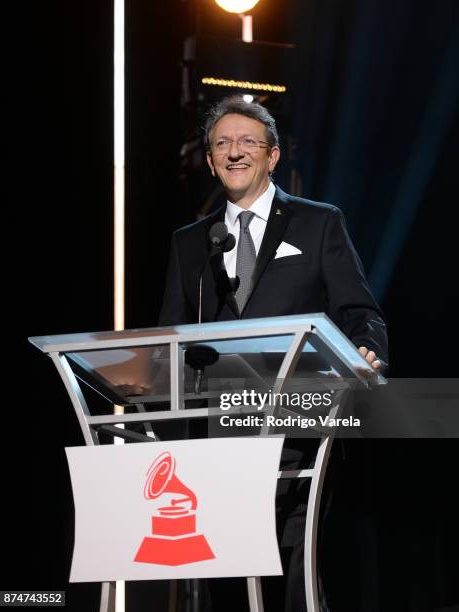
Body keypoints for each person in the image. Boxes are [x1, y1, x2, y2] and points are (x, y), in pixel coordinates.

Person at [158, 95, 388, 611]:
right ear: (212, 161)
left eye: (247, 142)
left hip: (296, 428)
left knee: (290, 577)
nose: (234, 152)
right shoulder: (190, 242)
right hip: (214, 432)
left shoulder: (318, 222)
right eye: (222, 144)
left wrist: (368, 349)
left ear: (273, 155)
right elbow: (169, 334)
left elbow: (358, 311)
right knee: (226, 581)